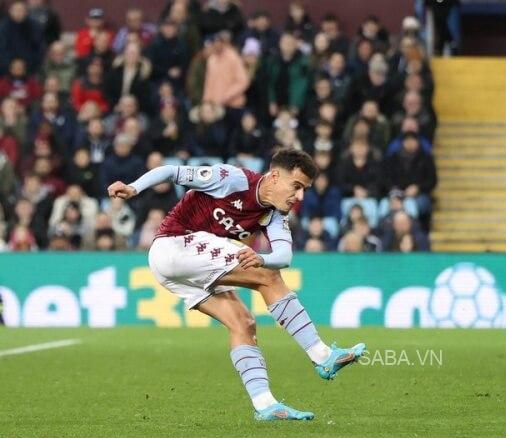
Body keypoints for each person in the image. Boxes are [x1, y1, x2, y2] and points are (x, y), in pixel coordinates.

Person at [106, 148, 366, 421]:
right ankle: (321, 354)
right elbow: (172, 171)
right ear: (275, 176)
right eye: (296, 186)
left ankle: (265, 404)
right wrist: (134, 188)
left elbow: (283, 256)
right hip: (174, 244)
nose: (299, 196)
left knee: (243, 322)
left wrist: (261, 257)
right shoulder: (231, 179)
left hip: (181, 268)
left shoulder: (274, 215)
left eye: (305, 190)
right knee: (267, 276)